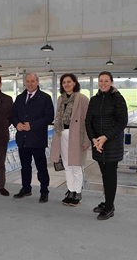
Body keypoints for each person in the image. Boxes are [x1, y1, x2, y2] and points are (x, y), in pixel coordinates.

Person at [85, 71, 128, 220]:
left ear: (111, 82)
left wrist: (105, 137)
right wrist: (94, 139)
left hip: (112, 144)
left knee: (110, 176)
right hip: (98, 144)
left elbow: (122, 122)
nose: (103, 83)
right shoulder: (94, 100)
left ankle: (109, 208)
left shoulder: (118, 99)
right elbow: (88, 121)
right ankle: (108, 202)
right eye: (100, 81)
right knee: (104, 175)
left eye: (106, 81)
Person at [12, 73, 54, 203]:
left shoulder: (45, 98)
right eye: (28, 81)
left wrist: (33, 125)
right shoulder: (19, 98)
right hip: (22, 139)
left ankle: (44, 191)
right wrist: (17, 124)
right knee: (25, 166)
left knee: (41, 167)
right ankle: (26, 188)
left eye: (32, 81)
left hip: (37, 139)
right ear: (25, 82)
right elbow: (13, 114)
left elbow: (49, 117)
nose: (30, 84)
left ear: (37, 82)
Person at [50, 73, 90, 207]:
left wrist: (86, 141)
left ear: (74, 83)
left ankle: (78, 192)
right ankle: (71, 190)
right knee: (67, 165)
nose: (66, 84)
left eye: (69, 82)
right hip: (62, 134)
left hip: (76, 136)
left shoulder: (82, 99)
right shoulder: (61, 99)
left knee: (76, 165)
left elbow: (87, 121)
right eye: (64, 82)